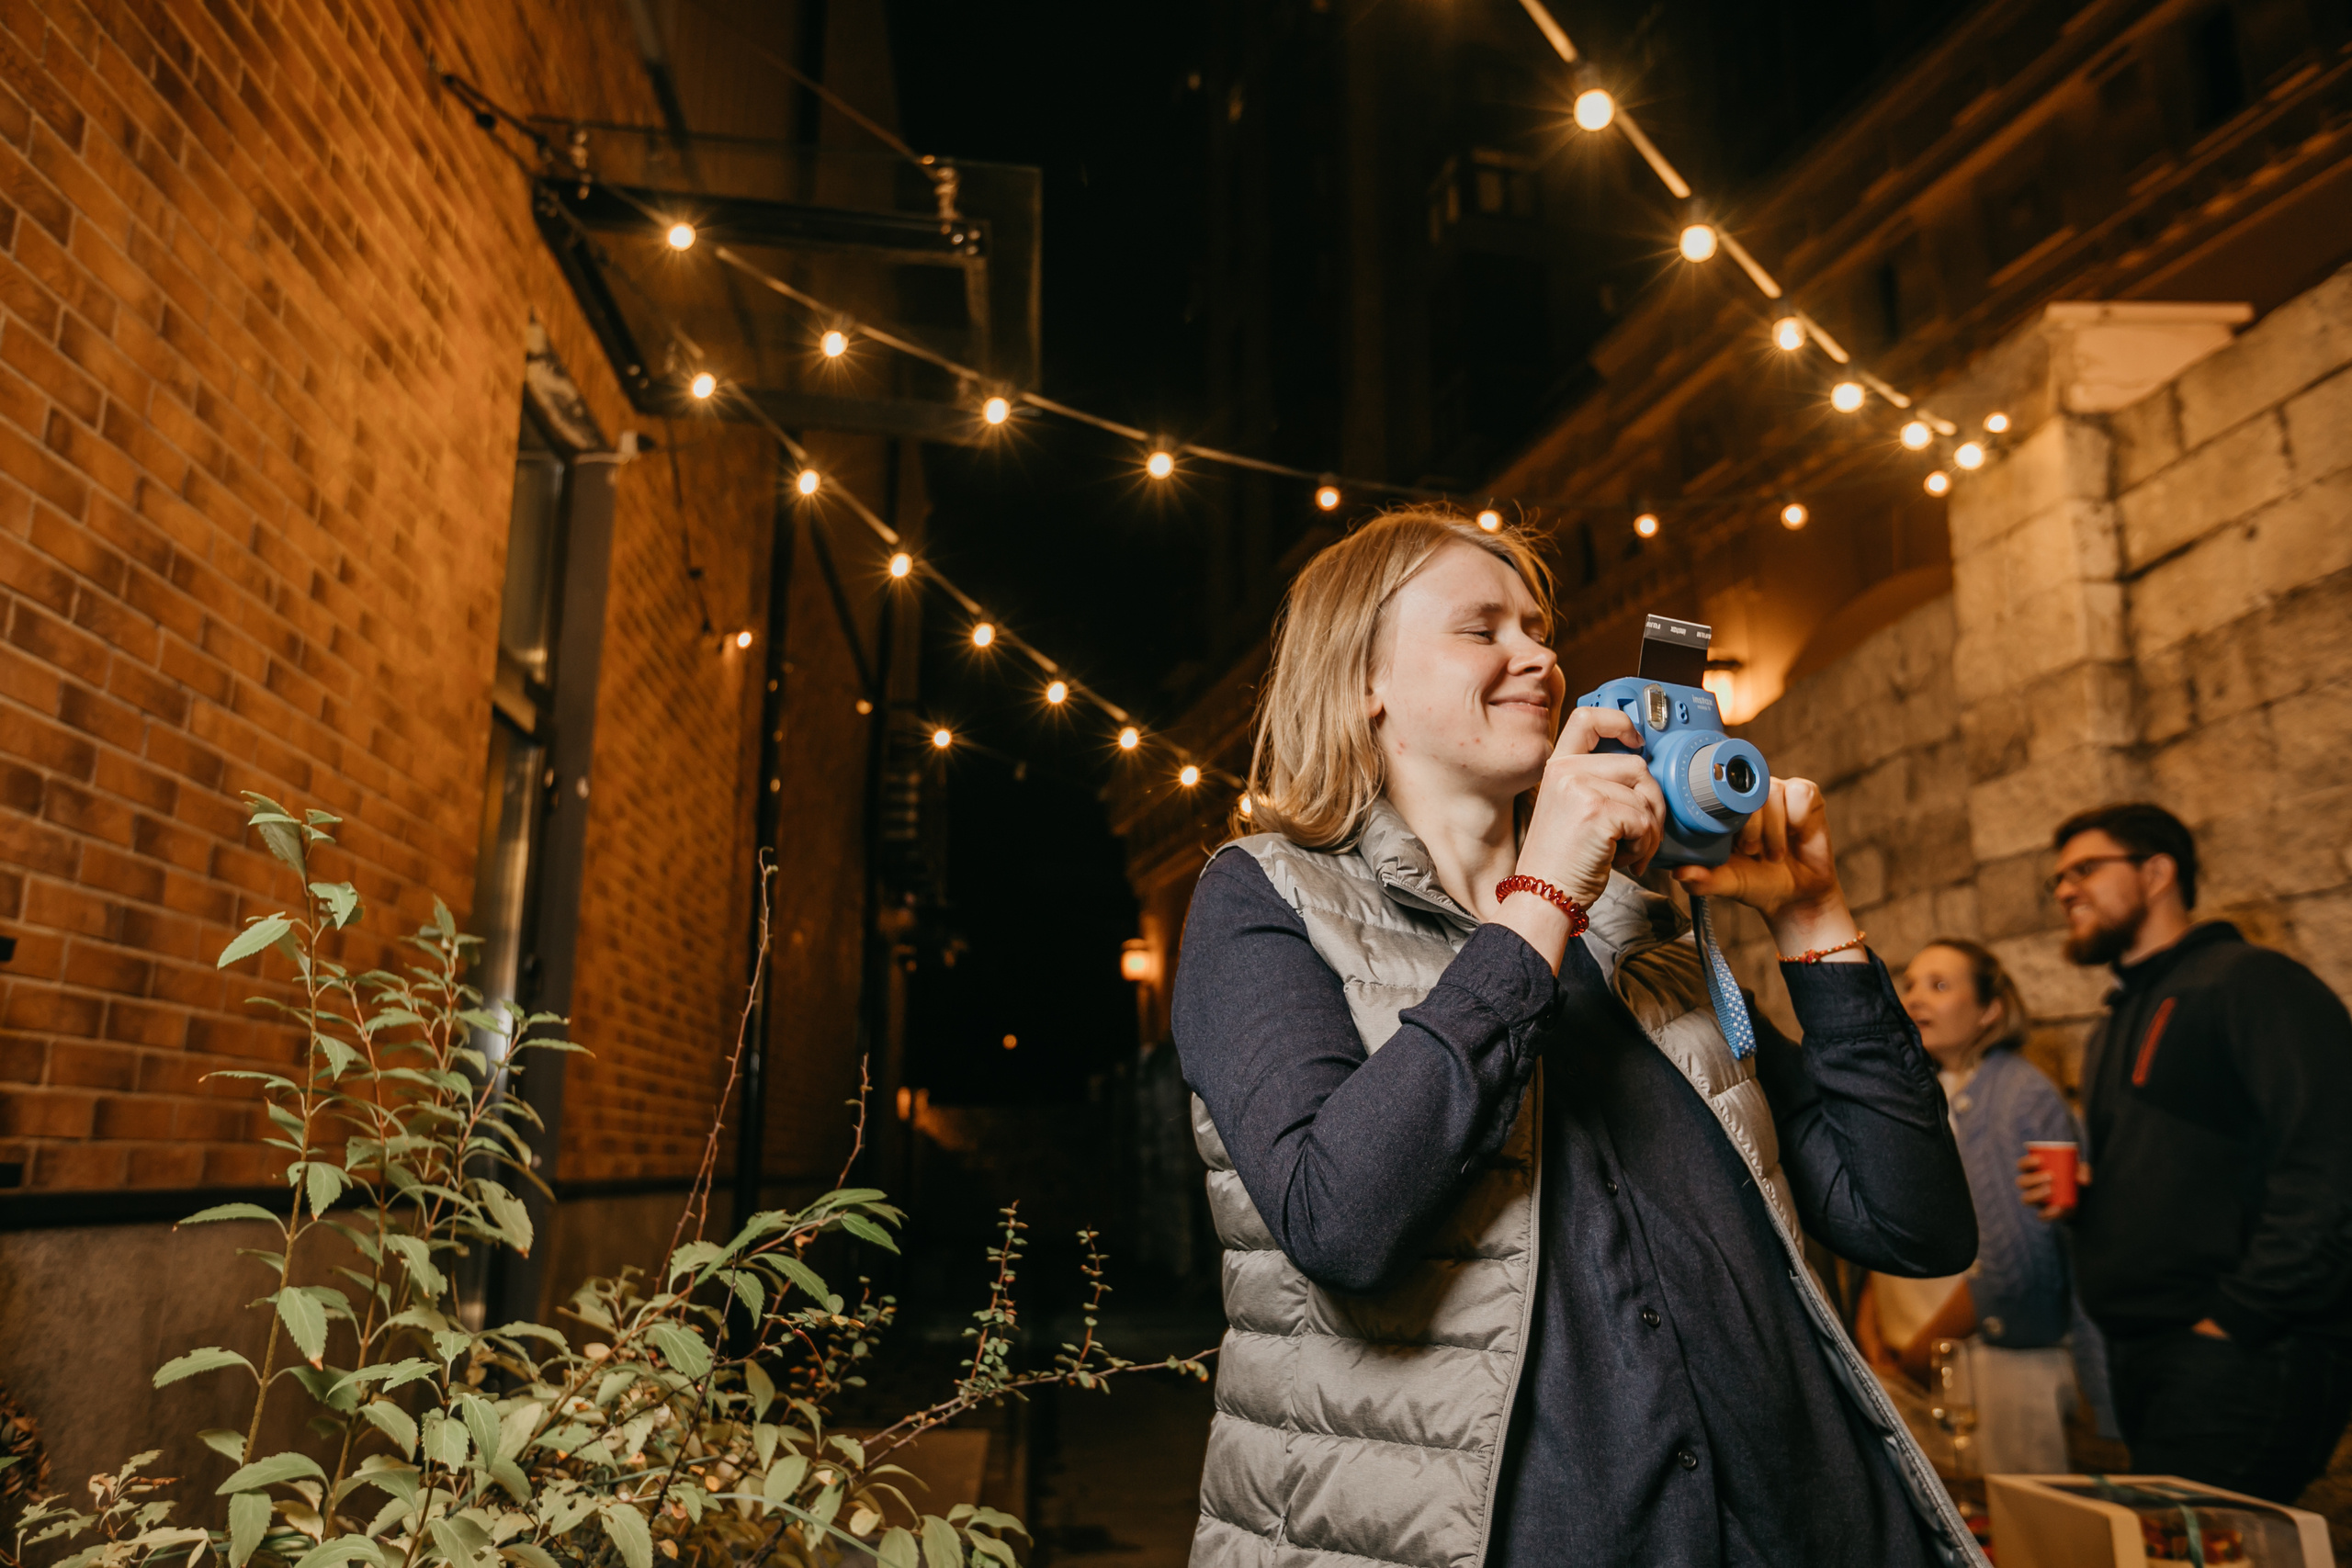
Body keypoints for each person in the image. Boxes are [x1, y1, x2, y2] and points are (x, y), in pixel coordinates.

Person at [1172, 508, 1985, 1568]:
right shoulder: (1265, 898)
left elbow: (1911, 1225)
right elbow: (1341, 1222)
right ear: (1362, 679)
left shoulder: (1637, 929)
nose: (1540, 657)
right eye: (1483, 630)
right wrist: (1542, 892)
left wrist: (1812, 920)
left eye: (1538, 627)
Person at [2018, 802, 2352, 1502]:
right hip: (2145, 1351)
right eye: (2057, 879)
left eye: (2084, 869)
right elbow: (2181, 1170)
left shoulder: (2251, 981)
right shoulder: (2116, 1018)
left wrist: (2237, 1317)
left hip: (2243, 1350)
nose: (2064, 891)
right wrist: (2088, 1195)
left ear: (2158, 871)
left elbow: (2330, 1155)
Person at [1859, 939, 2107, 1475]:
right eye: (1911, 985)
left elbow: (2014, 1264)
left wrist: (1921, 1355)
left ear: (1990, 1010)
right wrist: (1872, 1335)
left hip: (1997, 1371)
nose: (1916, 998)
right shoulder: (1917, 1093)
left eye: (1940, 985)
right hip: (1909, 1365)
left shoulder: (2020, 1096)